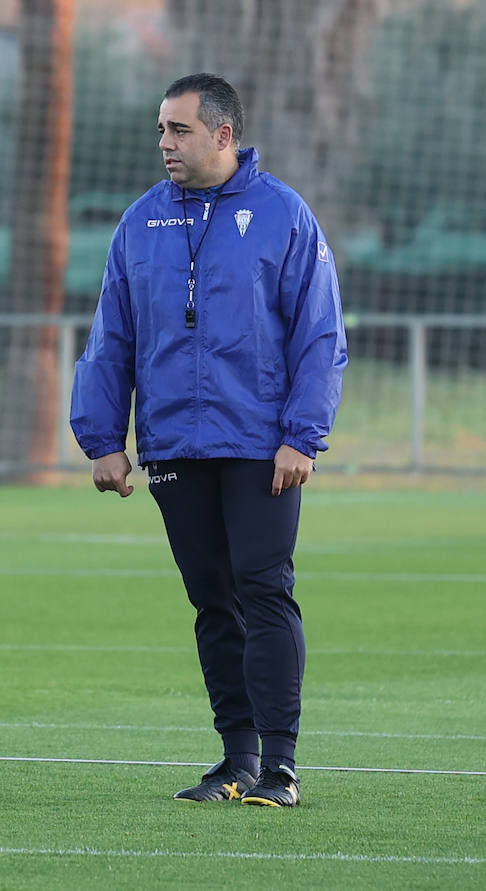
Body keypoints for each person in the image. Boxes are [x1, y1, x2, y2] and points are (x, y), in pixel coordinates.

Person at [69, 73, 347, 808]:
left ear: (223, 135)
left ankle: (281, 768)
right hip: (173, 448)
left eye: (179, 130)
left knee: (263, 590)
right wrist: (103, 436)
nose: (165, 143)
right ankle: (235, 761)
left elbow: (321, 337)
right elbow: (112, 337)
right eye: (161, 129)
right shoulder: (139, 223)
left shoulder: (284, 214)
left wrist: (302, 436)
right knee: (212, 601)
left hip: (262, 447)